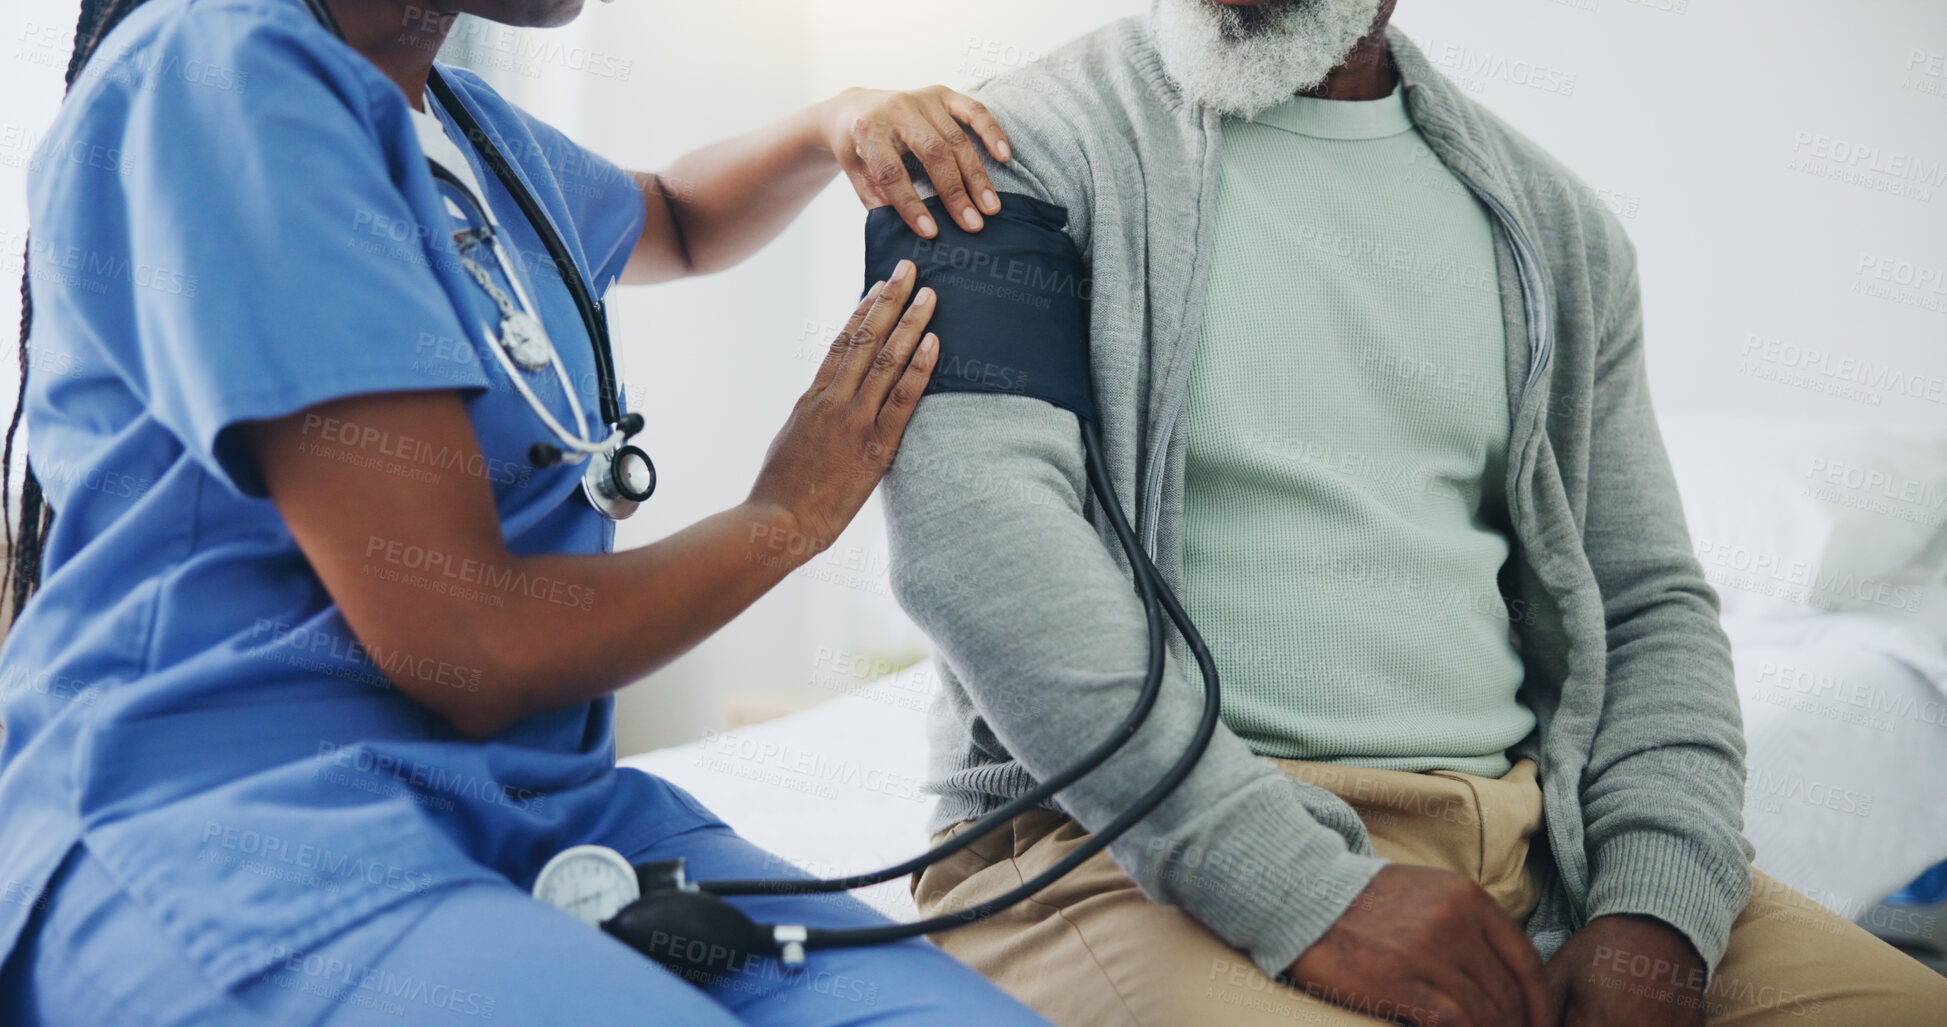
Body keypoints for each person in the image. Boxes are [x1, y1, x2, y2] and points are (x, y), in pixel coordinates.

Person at [877, 1, 1947, 1024]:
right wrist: (1304, 891)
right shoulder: (994, 155)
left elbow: (1645, 607)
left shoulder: (1559, 231)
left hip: (1533, 851)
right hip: (1108, 854)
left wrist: (1653, 911)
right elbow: (975, 542)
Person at [0, 0, 1052, 1023]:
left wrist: (833, 124)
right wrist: (784, 515)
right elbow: (472, 640)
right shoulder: (226, 75)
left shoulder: (467, 135)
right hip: (238, 818)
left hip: (537, 812)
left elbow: (679, 219)